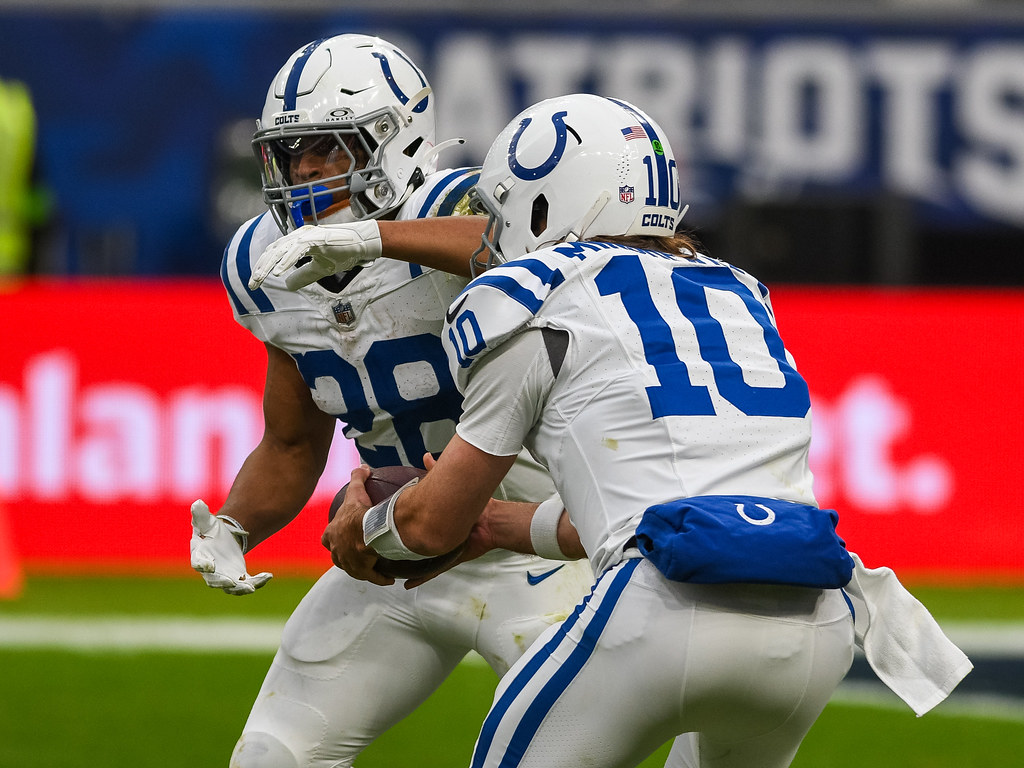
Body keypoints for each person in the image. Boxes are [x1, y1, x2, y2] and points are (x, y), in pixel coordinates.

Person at [321, 93, 973, 768]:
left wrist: (364, 526)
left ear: (545, 201)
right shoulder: (736, 292)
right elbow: (636, 515)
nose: (492, 233)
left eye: (502, 210)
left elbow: (430, 525)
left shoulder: (531, 295)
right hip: (814, 624)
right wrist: (491, 527)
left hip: (662, 608)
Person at [192, 35, 593, 768]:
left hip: (532, 548)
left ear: (395, 142)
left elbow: (538, 253)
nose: (306, 171)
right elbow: (290, 444)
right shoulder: (264, 265)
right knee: (271, 757)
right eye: (293, 153)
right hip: (394, 550)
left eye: (329, 149)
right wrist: (232, 525)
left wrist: (374, 240)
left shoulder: (456, 204)